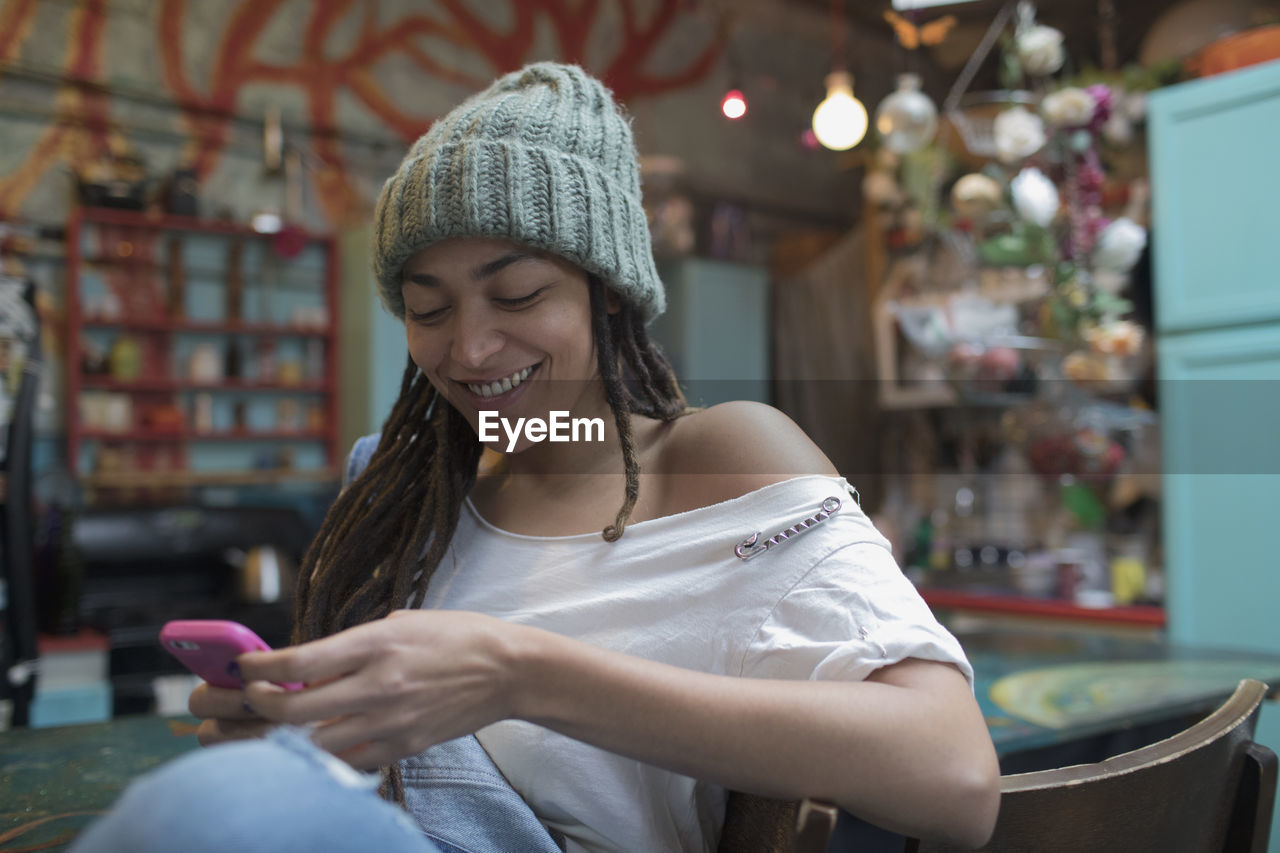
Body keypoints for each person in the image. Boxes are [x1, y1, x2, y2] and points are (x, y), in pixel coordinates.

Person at [72, 62, 999, 853]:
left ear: (606, 293)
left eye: (517, 292)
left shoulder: (716, 458)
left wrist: (518, 673)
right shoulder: (397, 496)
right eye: (428, 309)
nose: (470, 348)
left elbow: (955, 776)